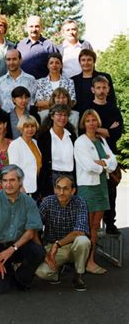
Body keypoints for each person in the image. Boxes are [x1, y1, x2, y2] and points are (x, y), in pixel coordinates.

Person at [0, 165, 45, 293]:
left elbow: (30, 232)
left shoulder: (29, 202)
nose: (8, 184)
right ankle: (7, 272)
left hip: (19, 245)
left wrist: (13, 249)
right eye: (5, 180)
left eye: (12, 180)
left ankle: (21, 277)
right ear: (1, 183)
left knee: (38, 251)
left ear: (20, 182)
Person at [74, 109, 117, 275]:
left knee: (95, 226)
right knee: (86, 227)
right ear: (83, 123)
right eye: (88, 121)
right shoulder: (80, 142)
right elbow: (88, 166)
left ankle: (90, 261)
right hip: (88, 187)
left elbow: (113, 161)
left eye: (94, 120)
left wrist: (103, 162)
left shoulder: (101, 140)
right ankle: (84, 261)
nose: (91, 123)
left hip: (101, 186)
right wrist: (104, 164)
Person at [35, 175, 91, 291]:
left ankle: (78, 275)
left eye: (66, 188)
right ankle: (57, 272)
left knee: (83, 241)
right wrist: (42, 251)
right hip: (52, 247)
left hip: (72, 244)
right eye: (58, 188)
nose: (61, 192)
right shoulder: (47, 202)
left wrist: (58, 244)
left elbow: (79, 232)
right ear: (54, 189)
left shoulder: (80, 202)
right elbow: (35, 228)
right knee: (41, 272)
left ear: (73, 190)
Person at [89, 75, 124, 235]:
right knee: (94, 190)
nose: (101, 91)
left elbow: (117, 132)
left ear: (108, 89)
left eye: (104, 87)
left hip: (109, 155)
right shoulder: (88, 108)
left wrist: (103, 130)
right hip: (92, 154)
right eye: (98, 88)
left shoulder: (113, 109)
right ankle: (90, 226)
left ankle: (110, 223)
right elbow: (86, 129)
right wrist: (106, 130)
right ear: (93, 90)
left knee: (111, 191)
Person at [37, 104, 76, 199]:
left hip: (70, 178)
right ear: (52, 116)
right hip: (51, 178)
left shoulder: (72, 136)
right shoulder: (43, 137)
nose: (62, 118)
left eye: (65, 115)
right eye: (59, 114)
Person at [71, 49, 117, 113]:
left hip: (102, 114)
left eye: (89, 60)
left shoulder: (105, 77)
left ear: (94, 62)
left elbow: (112, 98)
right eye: (83, 60)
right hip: (81, 116)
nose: (86, 63)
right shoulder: (73, 80)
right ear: (80, 62)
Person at [16, 16, 59, 80]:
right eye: (31, 26)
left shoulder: (49, 46)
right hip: (23, 86)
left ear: (41, 28)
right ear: (26, 28)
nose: (34, 29)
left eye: (37, 26)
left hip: (43, 87)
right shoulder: (19, 46)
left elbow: (57, 68)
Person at [8, 115, 41, 196]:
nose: (30, 129)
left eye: (32, 126)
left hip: (36, 185)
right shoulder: (15, 144)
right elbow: (13, 169)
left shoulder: (35, 142)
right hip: (24, 188)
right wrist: (20, 187)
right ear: (21, 128)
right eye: (26, 126)